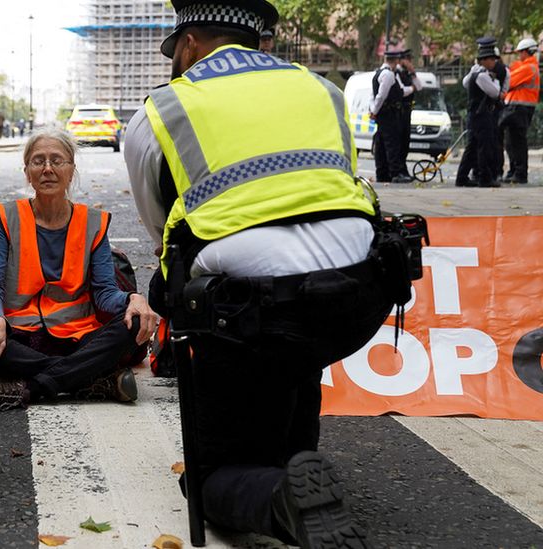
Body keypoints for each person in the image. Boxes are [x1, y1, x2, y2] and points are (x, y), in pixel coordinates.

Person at [124, 0, 395, 546]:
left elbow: (166, 239)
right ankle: (297, 462)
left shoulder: (161, 110)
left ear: (191, 44)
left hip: (248, 312)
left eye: (175, 51)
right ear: (260, 42)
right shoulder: (323, 89)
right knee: (300, 337)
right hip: (359, 292)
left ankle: (280, 500)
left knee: (209, 479)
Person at [0, 127, 158, 413]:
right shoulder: (5, 216)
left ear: (72, 170)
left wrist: (133, 298)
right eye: (38, 161)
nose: (47, 168)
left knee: (131, 323)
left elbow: (105, 293)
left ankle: (27, 389)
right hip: (20, 337)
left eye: (57, 160)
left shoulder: (91, 222)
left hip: (78, 339)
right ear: (27, 171)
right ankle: (90, 380)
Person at [455, 38, 504, 187]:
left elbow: (465, 83)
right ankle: (484, 178)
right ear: (484, 61)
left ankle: (462, 177)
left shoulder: (475, 73)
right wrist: (494, 80)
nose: (494, 62)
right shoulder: (483, 75)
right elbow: (495, 92)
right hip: (482, 116)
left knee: (472, 148)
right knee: (484, 147)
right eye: (491, 59)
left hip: (475, 115)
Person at [370, 48, 414, 183]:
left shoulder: (378, 73)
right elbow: (381, 96)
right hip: (389, 113)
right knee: (392, 144)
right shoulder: (388, 75)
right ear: (395, 61)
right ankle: (395, 173)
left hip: (383, 113)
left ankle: (382, 173)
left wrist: (373, 109)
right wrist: (374, 111)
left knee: (382, 144)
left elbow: (373, 95)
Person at [500, 38, 539, 184]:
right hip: (517, 107)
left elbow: (509, 82)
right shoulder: (524, 66)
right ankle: (514, 171)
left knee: (517, 141)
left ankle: (520, 173)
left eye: (520, 52)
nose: (519, 55)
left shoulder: (529, 68)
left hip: (521, 108)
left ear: (527, 51)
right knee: (511, 142)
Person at [395, 50, 423, 180]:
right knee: (399, 141)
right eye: (408, 59)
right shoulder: (397, 73)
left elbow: (420, 86)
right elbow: (402, 92)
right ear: (401, 60)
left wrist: (413, 72)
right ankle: (399, 169)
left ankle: (403, 168)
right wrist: (412, 88)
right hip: (399, 112)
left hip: (407, 111)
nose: (410, 62)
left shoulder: (408, 73)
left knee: (405, 142)